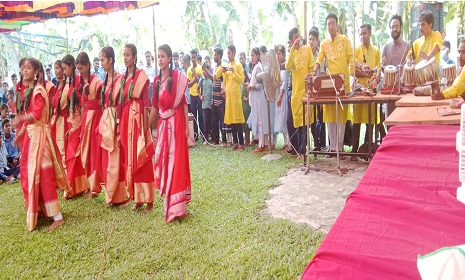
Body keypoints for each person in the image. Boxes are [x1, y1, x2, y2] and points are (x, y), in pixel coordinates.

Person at [13, 57, 70, 231]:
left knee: (44, 174)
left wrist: (21, 119)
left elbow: (36, 115)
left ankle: (58, 217)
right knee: (29, 174)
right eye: (23, 68)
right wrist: (20, 135)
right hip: (32, 138)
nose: (24, 71)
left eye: (28, 68)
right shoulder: (28, 91)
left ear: (36, 72)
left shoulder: (39, 90)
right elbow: (28, 122)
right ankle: (42, 210)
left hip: (41, 138)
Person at [312, 13, 368, 156]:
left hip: (343, 85)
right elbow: (318, 60)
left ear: (336, 25)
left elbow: (351, 58)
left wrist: (361, 66)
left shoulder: (344, 40)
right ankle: (332, 149)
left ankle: (339, 148)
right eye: (328, 24)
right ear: (327, 26)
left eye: (332, 23)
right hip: (329, 85)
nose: (331, 26)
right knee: (330, 116)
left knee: (341, 117)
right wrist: (313, 72)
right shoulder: (324, 43)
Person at [149, 44, 191, 222]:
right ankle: (169, 203)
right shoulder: (157, 81)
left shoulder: (177, 77)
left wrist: (187, 128)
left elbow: (182, 103)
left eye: (163, 56)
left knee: (176, 162)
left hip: (176, 124)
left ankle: (177, 206)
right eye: (158, 56)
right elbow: (154, 107)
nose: (160, 59)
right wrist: (147, 127)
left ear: (169, 58)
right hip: (163, 126)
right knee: (164, 162)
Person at [119, 43, 155, 214]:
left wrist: (146, 126)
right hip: (128, 121)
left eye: (128, 55)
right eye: (124, 55)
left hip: (139, 119)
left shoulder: (142, 76)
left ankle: (148, 200)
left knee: (143, 158)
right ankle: (137, 197)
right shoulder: (124, 78)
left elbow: (147, 104)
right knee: (130, 158)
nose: (125, 58)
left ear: (135, 57)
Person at [97, 46, 131, 206]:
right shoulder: (106, 79)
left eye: (103, 60)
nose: (101, 63)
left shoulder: (120, 79)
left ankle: (121, 196)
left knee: (117, 157)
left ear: (110, 60)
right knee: (108, 159)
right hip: (107, 121)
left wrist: (118, 126)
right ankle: (111, 194)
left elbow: (121, 105)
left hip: (116, 120)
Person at [61, 54, 90, 199]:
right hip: (70, 122)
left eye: (65, 68)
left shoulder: (78, 81)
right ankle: (80, 186)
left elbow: (83, 105)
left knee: (74, 155)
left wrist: (81, 125)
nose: (64, 71)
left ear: (72, 67)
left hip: (78, 122)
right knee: (72, 156)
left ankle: (71, 188)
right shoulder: (70, 83)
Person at [76, 52, 103, 198]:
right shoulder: (80, 81)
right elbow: (81, 105)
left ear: (87, 65)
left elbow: (101, 102)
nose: (80, 71)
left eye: (81, 68)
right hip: (86, 117)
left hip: (95, 117)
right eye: (78, 69)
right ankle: (88, 186)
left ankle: (94, 188)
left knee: (94, 152)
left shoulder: (97, 81)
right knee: (85, 152)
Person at [351, 24, 380, 161]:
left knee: (370, 121)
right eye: (361, 34)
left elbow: (378, 71)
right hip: (358, 91)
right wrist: (365, 73)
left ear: (370, 33)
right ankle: (354, 151)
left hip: (371, 92)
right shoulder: (355, 51)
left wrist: (373, 75)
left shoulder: (376, 52)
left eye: (365, 33)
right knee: (356, 121)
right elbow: (353, 71)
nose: (363, 36)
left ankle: (367, 150)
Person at [285, 28, 315, 161]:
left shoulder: (307, 49)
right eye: (295, 38)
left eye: (299, 37)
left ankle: (303, 152)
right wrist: (293, 49)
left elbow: (312, 66)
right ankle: (298, 150)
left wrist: (310, 76)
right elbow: (287, 66)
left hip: (306, 92)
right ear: (291, 40)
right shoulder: (291, 53)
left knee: (305, 124)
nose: (298, 40)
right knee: (294, 122)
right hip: (296, 94)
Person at [381, 14, 411, 117]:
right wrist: (383, 66)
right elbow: (382, 70)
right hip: (390, 92)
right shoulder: (385, 47)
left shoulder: (407, 46)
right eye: (392, 27)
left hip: (404, 92)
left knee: (403, 122)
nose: (394, 29)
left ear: (401, 28)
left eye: (396, 26)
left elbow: (411, 66)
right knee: (390, 121)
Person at [217, 45, 245, 151]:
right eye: (227, 53)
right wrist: (224, 73)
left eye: (229, 53)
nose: (228, 55)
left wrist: (234, 71)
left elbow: (241, 79)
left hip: (236, 97)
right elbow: (225, 82)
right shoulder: (227, 65)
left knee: (237, 120)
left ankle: (241, 143)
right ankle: (236, 142)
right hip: (229, 97)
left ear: (234, 53)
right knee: (231, 121)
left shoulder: (238, 65)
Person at [248, 47, 272, 152]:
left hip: (259, 98)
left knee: (260, 121)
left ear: (257, 56)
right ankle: (264, 143)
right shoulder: (256, 68)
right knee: (260, 121)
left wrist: (250, 86)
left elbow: (259, 85)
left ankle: (262, 145)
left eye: (253, 55)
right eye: (251, 56)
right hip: (257, 97)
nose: (251, 58)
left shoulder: (258, 68)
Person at [308, 27, 326, 150]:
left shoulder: (321, 56)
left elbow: (323, 74)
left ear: (317, 41)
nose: (311, 42)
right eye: (309, 39)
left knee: (321, 118)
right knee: (312, 119)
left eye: (313, 39)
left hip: (320, 91)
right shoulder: (305, 53)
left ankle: (322, 143)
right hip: (309, 91)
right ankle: (316, 143)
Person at [275, 45, 290, 150]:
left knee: (285, 118)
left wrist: (280, 96)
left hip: (284, 95)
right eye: (277, 54)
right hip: (278, 93)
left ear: (283, 54)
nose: (278, 56)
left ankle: (289, 142)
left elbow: (285, 82)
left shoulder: (286, 65)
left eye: (279, 54)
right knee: (281, 118)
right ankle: (285, 142)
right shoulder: (277, 66)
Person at [187, 49, 204, 141]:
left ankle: (203, 133)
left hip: (199, 94)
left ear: (197, 58)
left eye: (194, 57)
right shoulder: (189, 69)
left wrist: (195, 75)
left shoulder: (200, 68)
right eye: (191, 57)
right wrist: (195, 78)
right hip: (192, 95)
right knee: (193, 115)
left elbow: (200, 82)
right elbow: (188, 85)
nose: (193, 59)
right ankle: (195, 134)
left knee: (201, 115)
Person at [198, 62, 213, 145]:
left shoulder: (211, 78)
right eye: (203, 70)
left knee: (212, 121)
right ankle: (205, 139)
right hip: (204, 103)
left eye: (205, 70)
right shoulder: (202, 79)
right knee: (205, 121)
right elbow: (198, 88)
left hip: (211, 103)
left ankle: (213, 137)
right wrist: (200, 96)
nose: (204, 72)